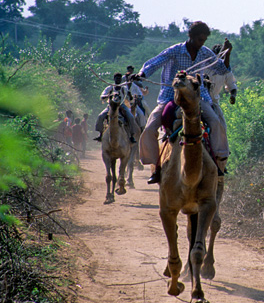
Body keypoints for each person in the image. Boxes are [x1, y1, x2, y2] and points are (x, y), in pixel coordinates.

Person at [132, 21, 232, 184]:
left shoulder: (205, 53)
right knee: (150, 128)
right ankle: (156, 167)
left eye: (204, 40)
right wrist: (142, 74)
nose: (202, 43)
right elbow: (155, 62)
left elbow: (222, 69)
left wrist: (227, 54)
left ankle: (218, 163)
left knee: (215, 122)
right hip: (172, 97)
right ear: (191, 36)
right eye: (200, 39)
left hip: (199, 98)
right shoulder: (175, 51)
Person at [94, 72, 138, 143]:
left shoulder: (124, 88)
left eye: (119, 78)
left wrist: (130, 95)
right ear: (114, 79)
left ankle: (132, 135)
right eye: (117, 78)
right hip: (111, 106)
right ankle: (100, 134)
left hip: (122, 105)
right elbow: (102, 96)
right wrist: (109, 95)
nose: (118, 80)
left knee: (131, 117)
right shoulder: (110, 88)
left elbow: (130, 99)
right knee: (101, 116)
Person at [207, 43, 237, 129]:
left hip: (214, 103)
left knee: (222, 127)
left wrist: (233, 95)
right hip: (200, 101)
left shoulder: (226, 71)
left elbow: (231, 85)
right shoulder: (204, 67)